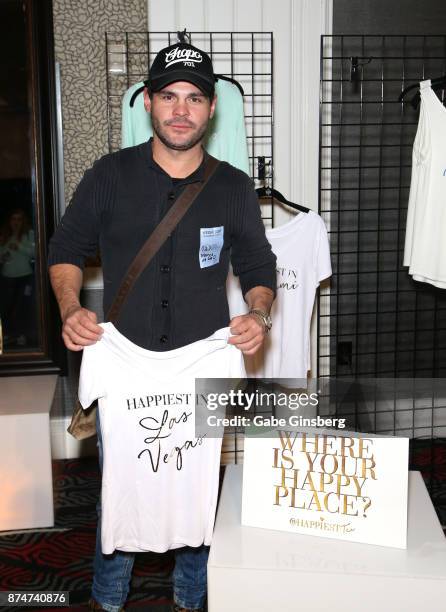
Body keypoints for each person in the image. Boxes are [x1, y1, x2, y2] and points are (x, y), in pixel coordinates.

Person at [48, 42, 276, 612]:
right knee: (121, 482)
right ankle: (108, 598)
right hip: (126, 361)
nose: (181, 110)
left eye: (194, 98)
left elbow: (257, 263)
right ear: (148, 103)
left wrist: (259, 312)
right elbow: (66, 248)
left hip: (204, 361)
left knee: (198, 484)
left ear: (211, 108)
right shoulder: (110, 175)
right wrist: (70, 307)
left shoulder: (232, 187)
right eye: (169, 96)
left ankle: (192, 596)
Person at [0, 207, 35, 347]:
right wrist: (3, 256)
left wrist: (19, 246)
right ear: (9, 221)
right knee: (6, 307)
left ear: (23, 221)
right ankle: (8, 334)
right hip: (7, 276)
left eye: (19, 219)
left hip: (25, 277)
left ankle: (21, 335)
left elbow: (34, 253)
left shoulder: (29, 234)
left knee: (22, 308)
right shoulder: (4, 234)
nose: (16, 222)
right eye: (13, 219)